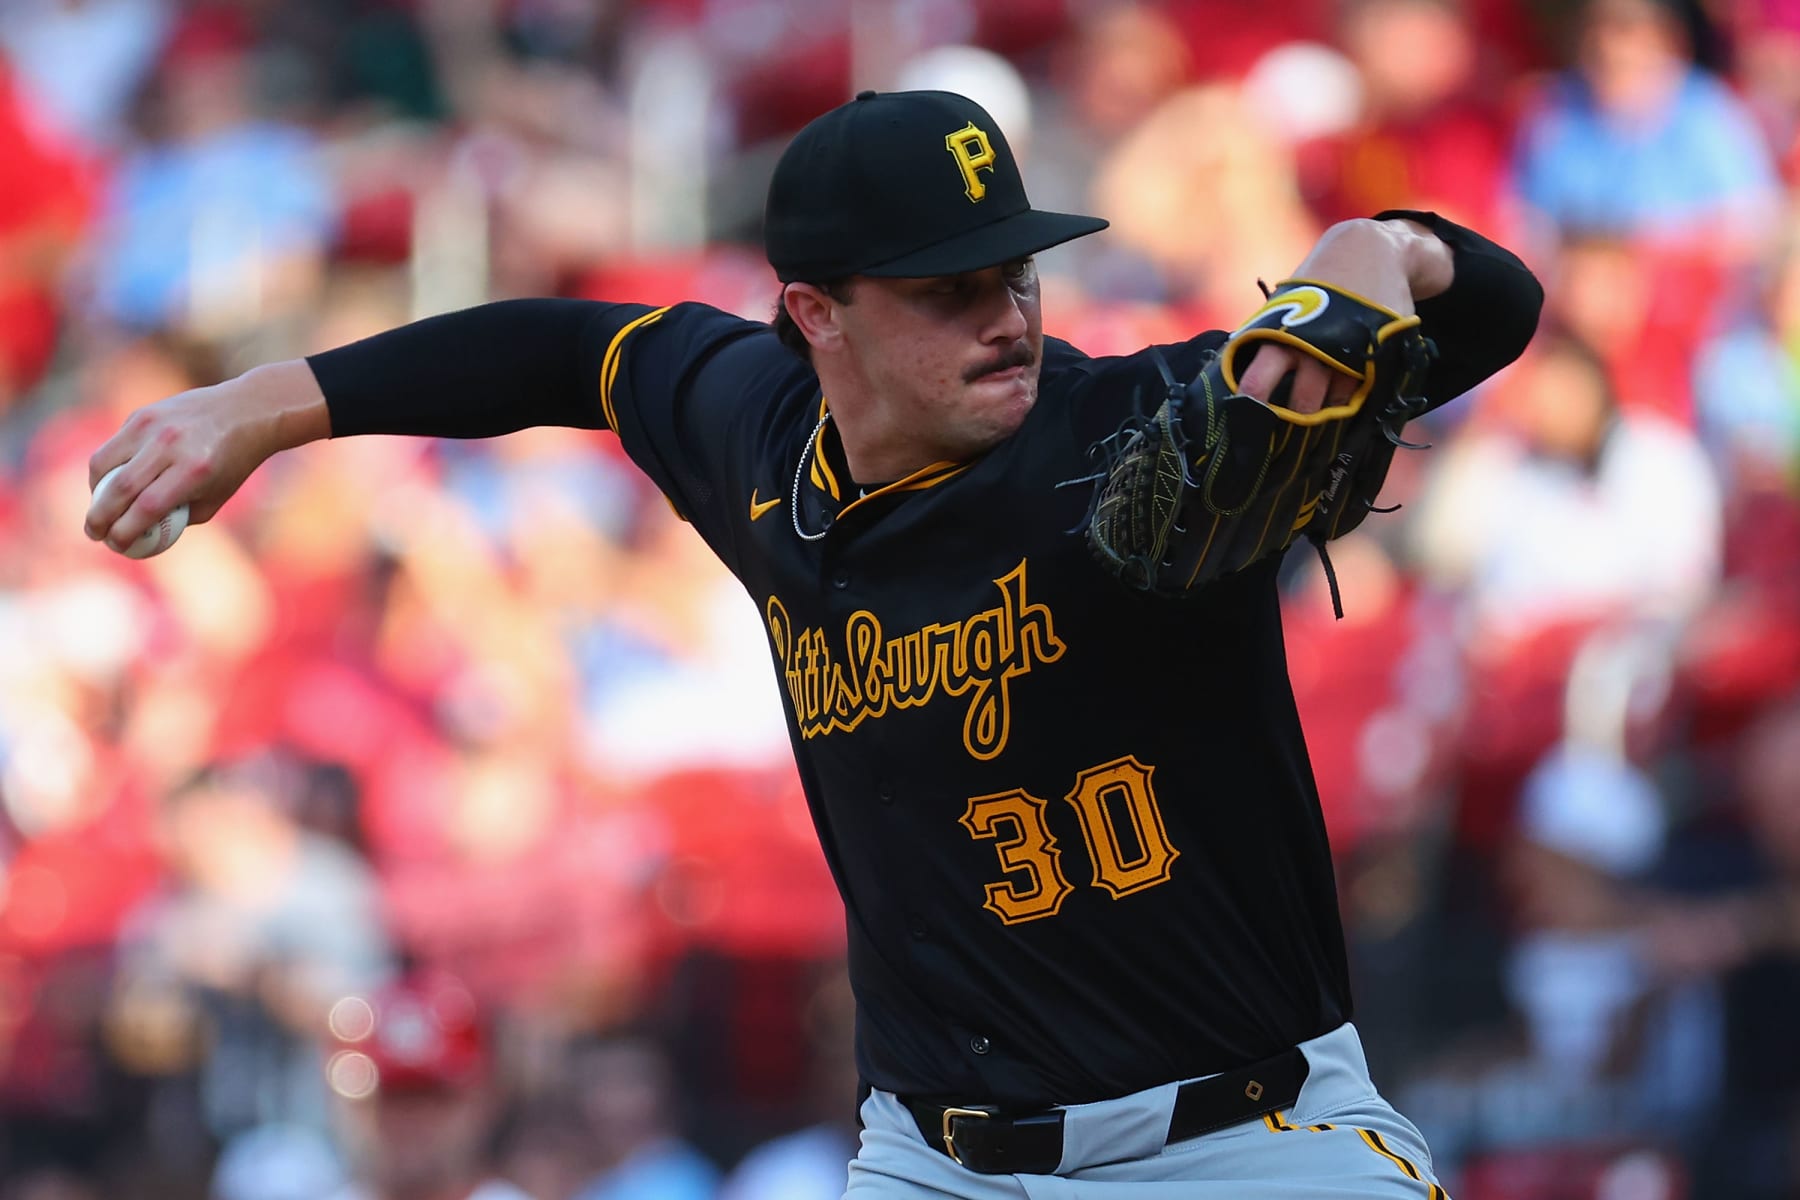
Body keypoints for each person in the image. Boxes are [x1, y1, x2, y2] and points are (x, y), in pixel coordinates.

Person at [85, 88, 1542, 1196]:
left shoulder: (1124, 433)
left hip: (1243, 1136)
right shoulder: (757, 436)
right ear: (813, 317)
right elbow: (557, 350)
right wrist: (263, 404)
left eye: (1017, 271)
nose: (1007, 316)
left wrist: (1390, 246)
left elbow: (1498, 308)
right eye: (948, 288)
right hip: (939, 1158)